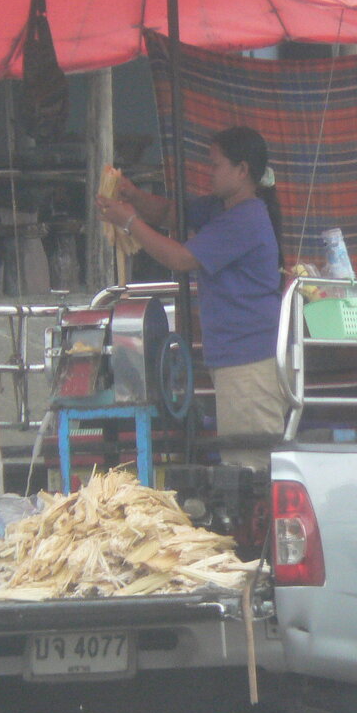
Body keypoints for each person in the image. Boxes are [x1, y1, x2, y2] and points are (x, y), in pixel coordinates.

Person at [96, 126, 285, 470]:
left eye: (216, 166)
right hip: (232, 354)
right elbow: (170, 214)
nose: (209, 174)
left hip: (249, 358)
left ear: (242, 171)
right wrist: (133, 195)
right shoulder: (221, 208)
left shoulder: (246, 219)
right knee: (238, 456)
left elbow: (181, 259)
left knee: (249, 464)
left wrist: (130, 222)